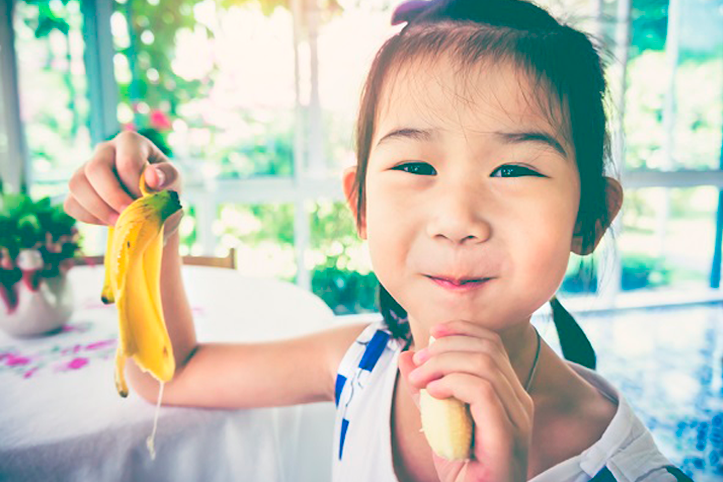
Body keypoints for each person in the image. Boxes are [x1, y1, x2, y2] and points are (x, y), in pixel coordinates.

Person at [63, 0, 693, 480]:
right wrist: (153, 227)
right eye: (415, 167)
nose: (457, 219)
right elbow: (168, 376)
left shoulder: (622, 467)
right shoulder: (362, 362)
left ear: (589, 217)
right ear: (360, 206)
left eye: (515, 170)